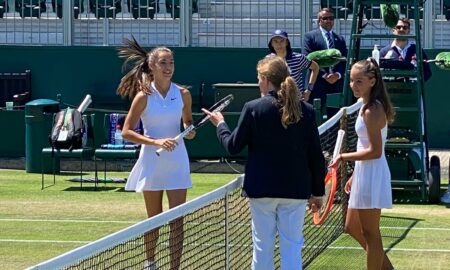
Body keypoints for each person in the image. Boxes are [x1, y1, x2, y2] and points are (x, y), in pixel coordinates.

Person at [203, 56, 326, 270]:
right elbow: (316, 155)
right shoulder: (305, 110)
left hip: (263, 190)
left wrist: (220, 124)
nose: (258, 82)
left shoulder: (254, 108)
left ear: (266, 79)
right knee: (292, 247)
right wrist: (318, 192)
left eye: (259, 78)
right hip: (295, 190)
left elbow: (233, 146)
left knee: (262, 247)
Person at [117, 37, 196, 270]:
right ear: (152, 66)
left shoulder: (183, 94)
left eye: (171, 62)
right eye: (163, 62)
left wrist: (189, 131)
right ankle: (150, 265)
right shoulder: (143, 96)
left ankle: (174, 268)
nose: (168, 67)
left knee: (177, 222)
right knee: (154, 220)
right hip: (152, 161)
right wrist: (155, 141)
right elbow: (127, 132)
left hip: (177, 161)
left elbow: (188, 123)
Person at [329, 58, 395, 270]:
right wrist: (355, 174)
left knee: (371, 233)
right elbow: (365, 144)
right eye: (352, 81)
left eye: (359, 81)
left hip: (373, 172)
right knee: (351, 227)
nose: (354, 86)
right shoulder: (365, 107)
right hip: (364, 172)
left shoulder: (371, 110)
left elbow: (375, 151)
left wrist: (343, 157)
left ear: (372, 81)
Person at [303, 8, 348, 117]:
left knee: (335, 117)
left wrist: (337, 75)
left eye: (331, 18)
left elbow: (344, 60)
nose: (328, 21)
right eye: (325, 18)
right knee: (312, 115)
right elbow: (308, 58)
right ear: (319, 20)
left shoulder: (340, 39)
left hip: (335, 84)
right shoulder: (310, 37)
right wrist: (325, 75)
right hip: (317, 83)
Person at [267, 29, 319, 101]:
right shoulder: (268, 60)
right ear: (271, 44)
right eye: (275, 41)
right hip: (275, 101)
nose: (279, 44)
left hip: (296, 102)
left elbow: (315, 67)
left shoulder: (298, 58)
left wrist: (309, 90)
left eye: (282, 41)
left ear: (287, 42)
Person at [380, 17, 432, 82]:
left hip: (412, 90)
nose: (401, 29)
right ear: (393, 30)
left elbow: (427, 72)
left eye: (405, 28)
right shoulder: (384, 51)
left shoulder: (417, 50)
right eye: (398, 27)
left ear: (409, 31)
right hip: (391, 90)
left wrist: (415, 82)